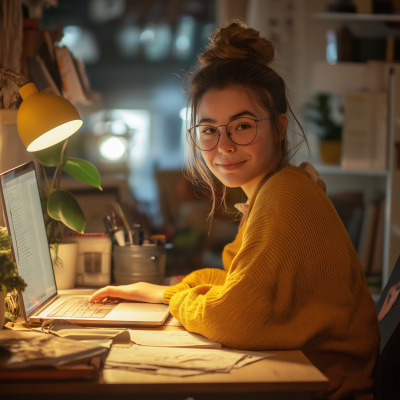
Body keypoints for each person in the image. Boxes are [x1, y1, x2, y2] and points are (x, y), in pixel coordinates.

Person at [89, 21, 379, 400]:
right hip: (303, 376)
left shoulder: (285, 195)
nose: (223, 145)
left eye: (242, 126)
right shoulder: (276, 188)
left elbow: (235, 316)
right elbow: (237, 282)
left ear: (279, 128)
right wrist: (164, 292)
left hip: (327, 389)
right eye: (208, 129)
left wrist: (174, 299)